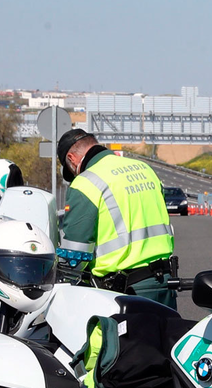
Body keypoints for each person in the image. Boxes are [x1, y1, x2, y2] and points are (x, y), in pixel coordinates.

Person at [55, 129, 177, 309]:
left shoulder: (86, 182)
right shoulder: (144, 169)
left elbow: (74, 255)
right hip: (165, 283)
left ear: (72, 159)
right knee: (169, 335)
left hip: (124, 292)